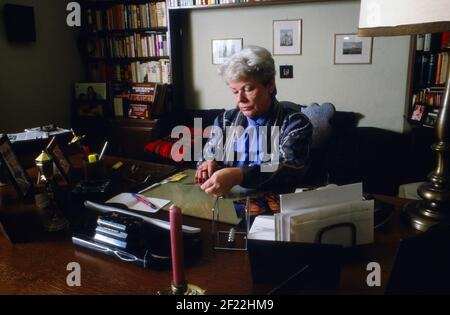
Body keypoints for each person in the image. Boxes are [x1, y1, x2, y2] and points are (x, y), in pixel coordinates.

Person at [195, 45, 312, 196]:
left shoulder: (295, 124)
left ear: (270, 85)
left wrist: (238, 175)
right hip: (227, 201)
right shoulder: (226, 119)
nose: (240, 100)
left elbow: (288, 167)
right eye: (234, 91)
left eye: (248, 89)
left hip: (273, 204)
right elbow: (207, 155)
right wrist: (207, 164)